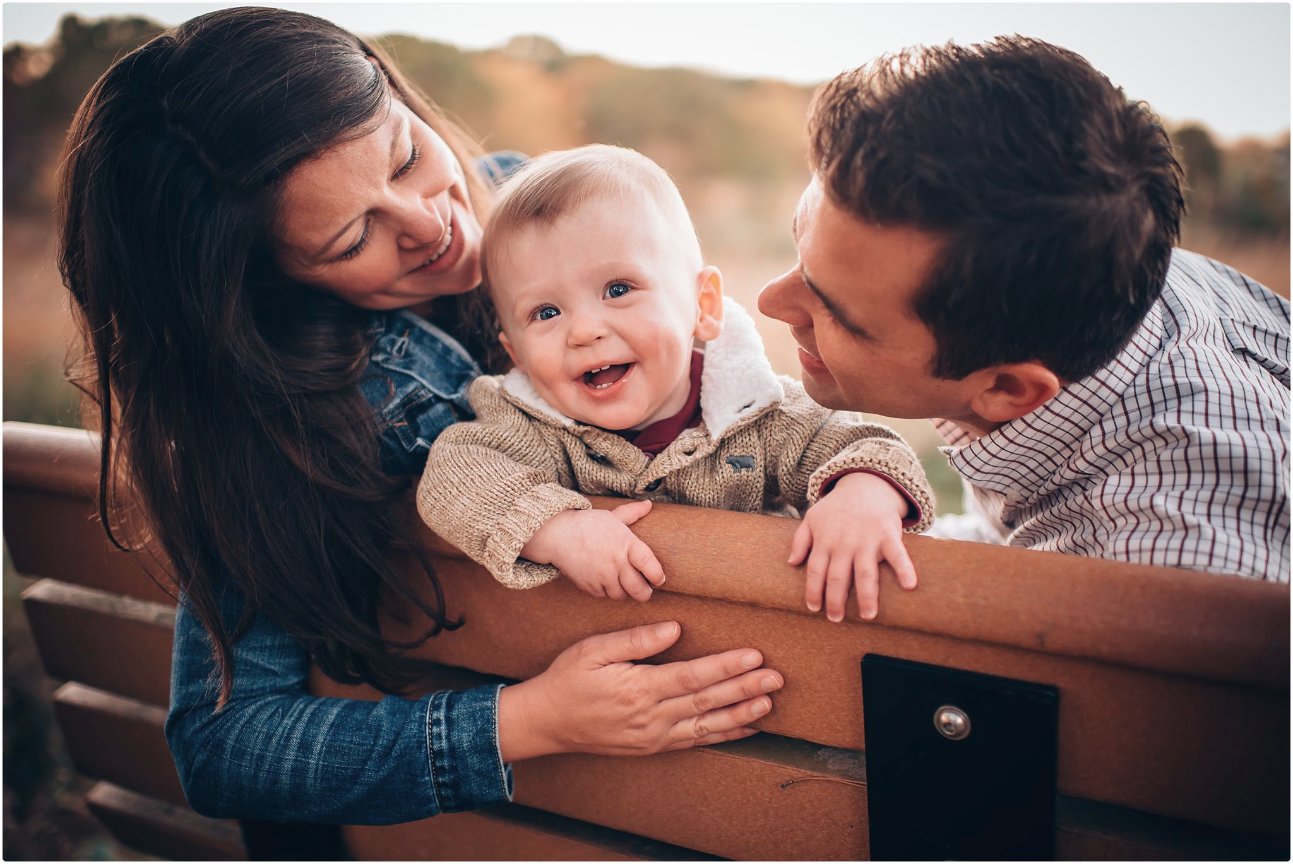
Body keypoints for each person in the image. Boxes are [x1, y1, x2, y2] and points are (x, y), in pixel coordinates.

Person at [57, 8, 783, 826]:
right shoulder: (288, 425)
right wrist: (528, 722)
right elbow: (228, 746)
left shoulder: (562, 208)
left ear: (395, 88)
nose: (429, 223)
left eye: (404, 157)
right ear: (266, 288)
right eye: (352, 236)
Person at [758, 36, 1290, 582]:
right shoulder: (1073, 273)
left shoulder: (1161, 571)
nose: (771, 303)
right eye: (799, 245)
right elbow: (1004, 540)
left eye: (840, 316)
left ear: (1007, 390)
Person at [419, 145, 934, 622]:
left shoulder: (758, 413)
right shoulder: (531, 423)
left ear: (702, 306)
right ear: (517, 355)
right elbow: (453, 475)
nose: (584, 330)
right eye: (545, 312)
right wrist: (554, 529)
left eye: (618, 289)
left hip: (763, 653)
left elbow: (865, 445)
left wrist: (862, 495)